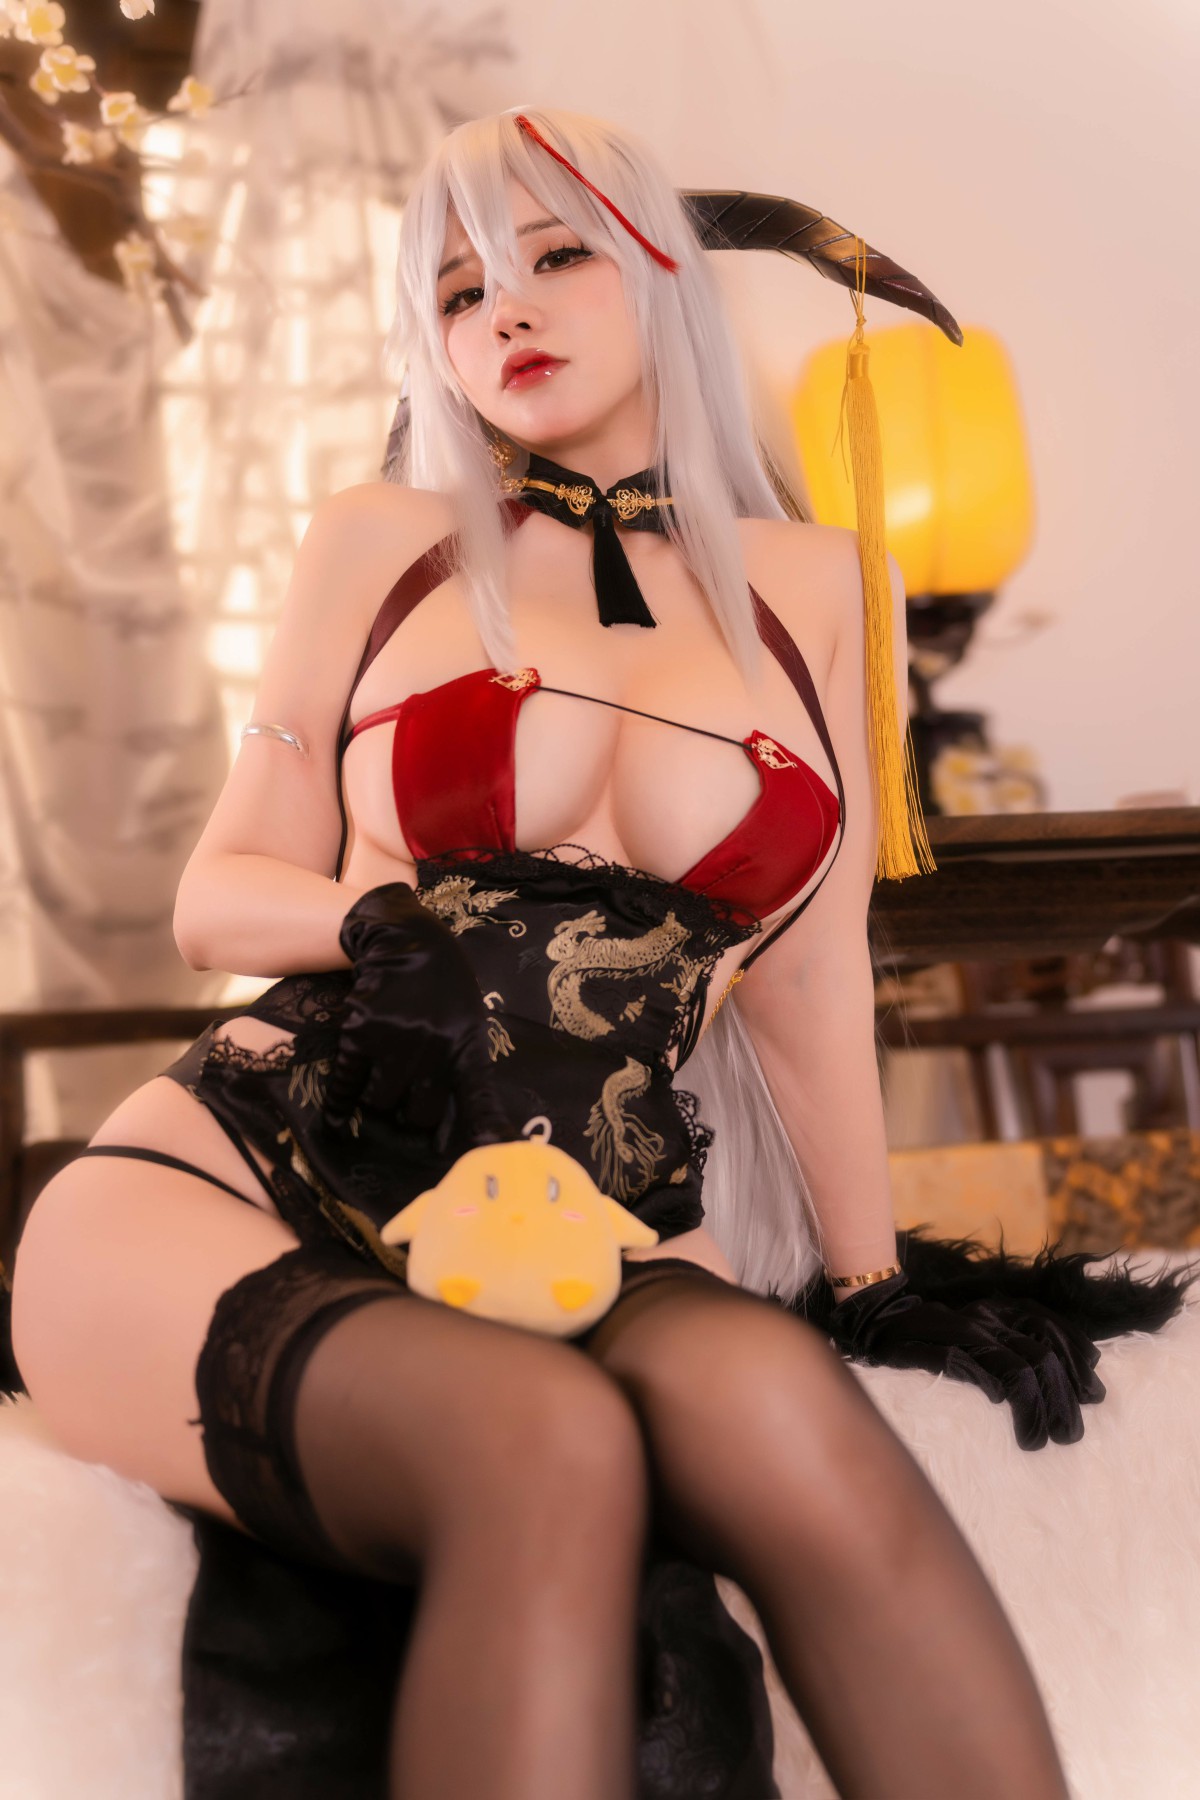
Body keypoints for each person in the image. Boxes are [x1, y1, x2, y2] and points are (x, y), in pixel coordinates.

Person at [9, 104, 1183, 1800]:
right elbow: (216, 899)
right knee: (540, 1440)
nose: (508, 312)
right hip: (254, 1165)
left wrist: (874, 1283)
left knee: (791, 1412)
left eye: (556, 258)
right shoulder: (379, 541)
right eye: (460, 292)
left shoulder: (822, 583)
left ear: (664, 277)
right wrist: (381, 919)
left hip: (593, 1215)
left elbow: (807, 973)